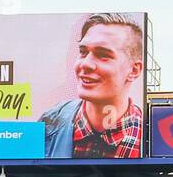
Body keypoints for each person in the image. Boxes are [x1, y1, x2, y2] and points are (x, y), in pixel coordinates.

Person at [39, 13, 145, 159]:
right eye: (83, 52)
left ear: (134, 70)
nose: (85, 64)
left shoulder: (148, 137)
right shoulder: (51, 123)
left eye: (103, 55)